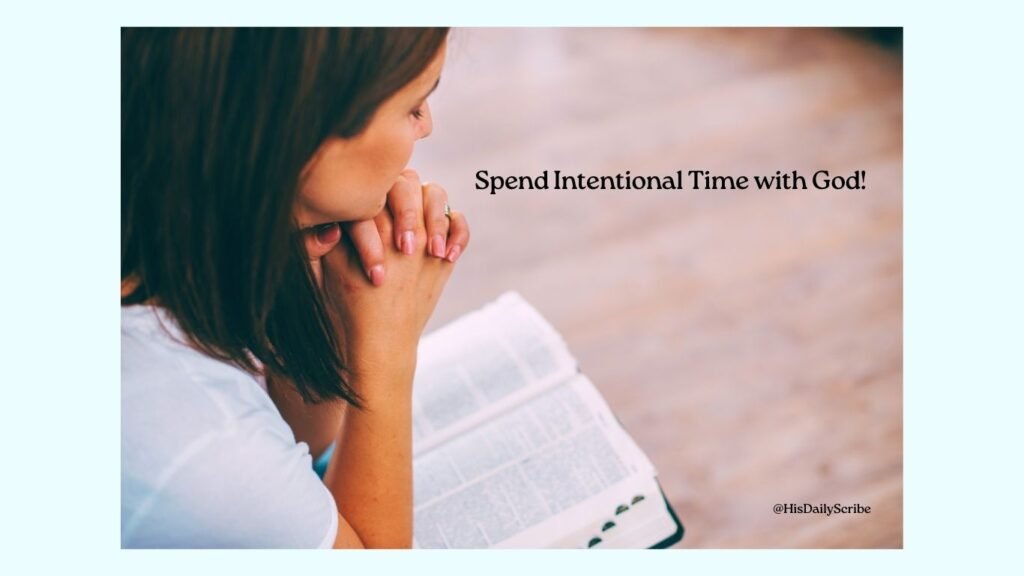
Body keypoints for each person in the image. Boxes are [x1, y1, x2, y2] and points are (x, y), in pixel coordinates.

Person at [121, 28, 468, 548]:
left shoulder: (159, 255)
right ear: (303, 129)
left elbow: (293, 445)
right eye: (414, 104)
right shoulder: (195, 439)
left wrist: (338, 310)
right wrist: (388, 352)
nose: (427, 126)